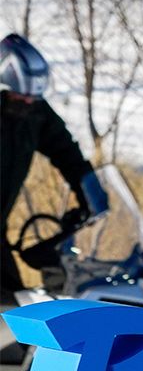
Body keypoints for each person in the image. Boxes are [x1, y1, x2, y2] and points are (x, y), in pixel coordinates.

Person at [1, 33, 107, 304]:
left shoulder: (34, 114)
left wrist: (90, 192)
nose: (26, 102)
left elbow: (65, 150)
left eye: (32, 97)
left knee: (14, 315)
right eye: (18, 96)